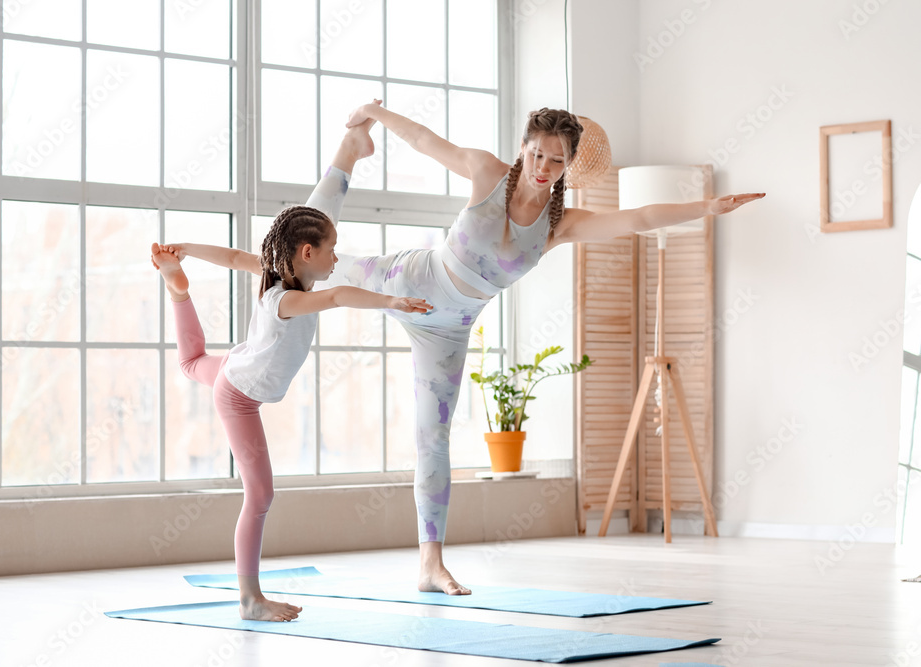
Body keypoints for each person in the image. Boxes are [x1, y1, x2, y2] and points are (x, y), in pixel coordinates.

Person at [179, 102, 764, 597]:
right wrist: (376, 114)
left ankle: (430, 561)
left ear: (567, 166)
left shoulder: (561, 223)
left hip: (449, 328)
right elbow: (427, 141)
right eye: (537, 153)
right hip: (407, 279)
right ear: (524, 148)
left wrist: (706, 208)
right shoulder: (488, 173)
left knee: (433, 436)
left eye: (556, 160)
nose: (542, 167)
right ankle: (348, 151)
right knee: (290, 263)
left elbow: (637, 217)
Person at [152, 123, 432, 622]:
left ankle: (177, 289)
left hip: (237, 368)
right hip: (239, 395)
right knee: (260, 496)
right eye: (332, 249)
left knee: (192, 363)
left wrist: (187, 249)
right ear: (308, 254)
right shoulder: (290, 300)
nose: (337, 256)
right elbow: (341, 294)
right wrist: (393, 301)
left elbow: (238, 256)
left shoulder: (274, 277)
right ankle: (249, 599)